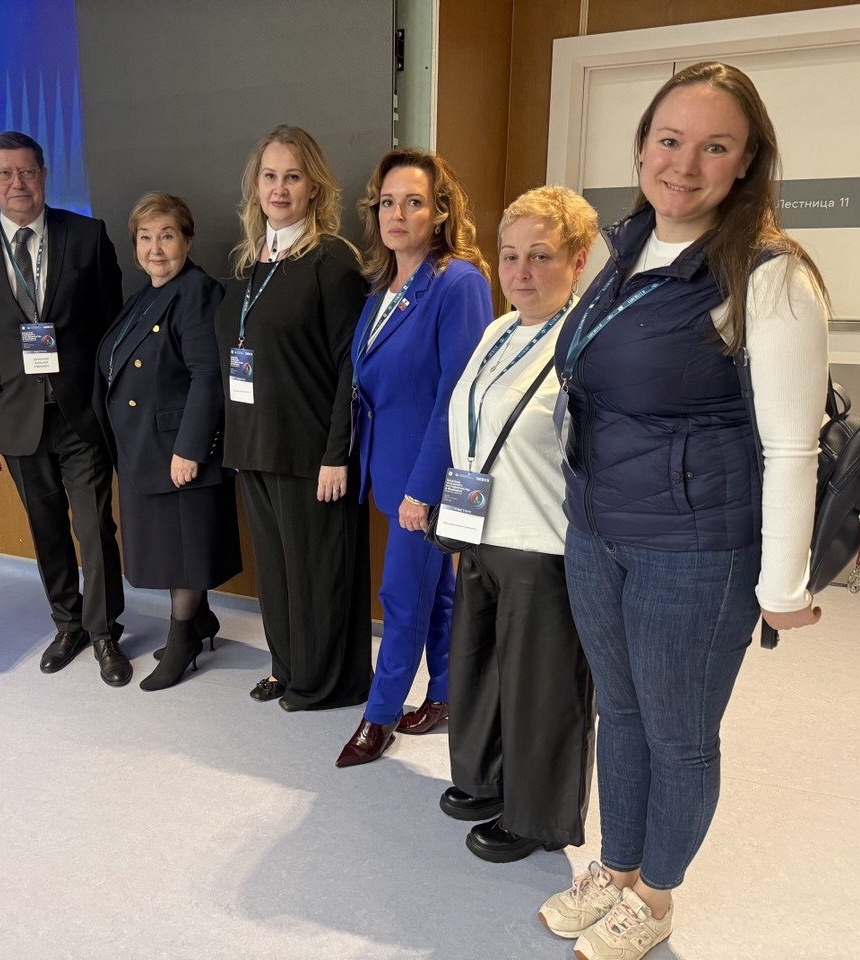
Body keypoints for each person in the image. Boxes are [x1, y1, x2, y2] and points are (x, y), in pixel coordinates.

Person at [539, 62, 828, 960]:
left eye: (715, 147)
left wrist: (782, 586)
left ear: (747, 163)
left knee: (679, 735)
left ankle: (656, 898)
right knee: (620, 715)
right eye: (670, 140)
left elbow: (794, 446)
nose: (685, 164)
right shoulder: (625, 247)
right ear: (642, 148)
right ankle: (616, 868)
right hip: (600, 532)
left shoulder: (771, 276)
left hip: (696, 552)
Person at [436, 186, 598, 861]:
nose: (520, 272)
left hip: (544, 544)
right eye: (509, 256)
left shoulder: (587, 341)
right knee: (480, 669)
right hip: (481, 531)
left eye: (540, 255)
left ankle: (538, 817)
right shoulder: (499, 330)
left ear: (578, 259)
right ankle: (487, 779)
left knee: (542, 690)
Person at [0, 131, 129, 687]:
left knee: (95, 528)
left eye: (27, 171)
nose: (17, 183)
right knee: (45, 528)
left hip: (81, 412)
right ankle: (68, 625)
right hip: (12, 416)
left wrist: (112, 406)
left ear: (44, 175)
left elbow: (113, 329)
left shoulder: (87, 235)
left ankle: (104, 632)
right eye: (4, 174)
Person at [335, 149, 490, 767]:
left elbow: (458, 395)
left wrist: (423, 490)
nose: (397, 214)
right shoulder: (384, 287)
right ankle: (448, 693)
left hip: (429, 478)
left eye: (414, 202)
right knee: (435, 590)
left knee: (401, 595)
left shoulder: (458, 282)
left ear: (441, 211)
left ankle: (379, 717)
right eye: (387, 202)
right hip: (389, 469)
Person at [215, 124, 371, 711]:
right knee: (277, 574)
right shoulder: (247, 262)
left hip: (310, 452)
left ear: (314, 188)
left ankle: (323, 682)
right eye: (270, 176)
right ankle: (285, 668)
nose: (279, 188)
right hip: (255, 445)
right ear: (255, 185)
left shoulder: (332, 260)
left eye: (293, 177)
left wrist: (337, 454)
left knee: (316, 574)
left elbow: (351, 367)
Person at [92, 193, 241, 690]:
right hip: (145, 448)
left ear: (188, 240)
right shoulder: (147, 295)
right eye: (145, 237)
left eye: (167, 236)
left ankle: (182, 645)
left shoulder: (196, 291)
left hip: (176, 451)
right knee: (173, 548)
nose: (155, 248)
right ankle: (200, 623)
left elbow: (207, 375)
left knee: (183, 554)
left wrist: (190, 449)